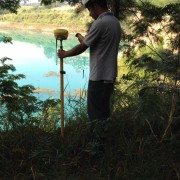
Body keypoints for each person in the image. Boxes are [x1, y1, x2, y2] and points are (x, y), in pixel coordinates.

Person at [58, 0, 121, 140]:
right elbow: (95, 43)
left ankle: (96, 148)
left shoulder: (100, 23)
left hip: (98, 77)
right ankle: (105, 142)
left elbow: (83, 47)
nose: (90, 14)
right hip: (109, 77)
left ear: (96, 6)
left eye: (90, 10)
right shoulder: (115, 22)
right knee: (104, 113)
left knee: (95, 116)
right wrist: (82, 38)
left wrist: (65, 54)